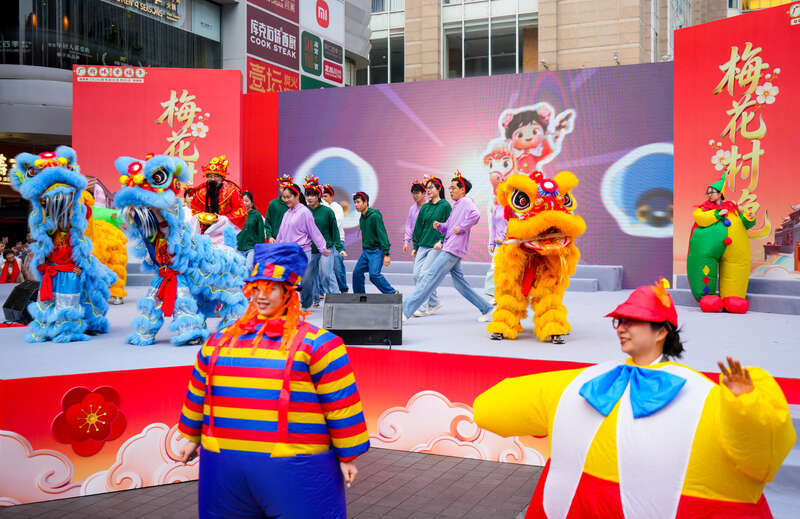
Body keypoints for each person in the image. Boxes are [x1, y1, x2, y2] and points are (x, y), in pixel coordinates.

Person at [474, 279, 796, 518]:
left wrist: (746, 405)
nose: (621, 328)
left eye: (633, 321)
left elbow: (760, 459)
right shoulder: (586, 382)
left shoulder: (702, 397)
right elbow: (490, 409)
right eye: (620, 321)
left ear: (662, 332)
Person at [178, 242, 370, 519]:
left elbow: (340, 404)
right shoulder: (219, 342)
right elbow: (200, 392)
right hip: (232, 467)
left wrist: (348, 457)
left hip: (287, 469)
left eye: (270, 288)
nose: (261, 296)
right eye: (256, 288)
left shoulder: (318, 345)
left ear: (288, 291)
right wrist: (191, 437)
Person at [403, 173, 493, 321]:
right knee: (460, 285)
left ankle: (405, 311)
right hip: (451, 247)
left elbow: (476, 215)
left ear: (462, 190)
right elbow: (450, 227)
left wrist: (461, 227)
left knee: (429, 277)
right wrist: (441, 226)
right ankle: (487, 309)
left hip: (452, 249)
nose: (450, 191)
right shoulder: (457, 205)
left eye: (453, 188)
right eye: (450, 188)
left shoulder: (466, 202)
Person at [686, 172, 756, 313]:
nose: (709, 195)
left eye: (712, 192)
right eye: (708, 192)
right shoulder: (703, 208)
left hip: (735, 248)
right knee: (703, 270)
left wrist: (748, 217)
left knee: (736, 269)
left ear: (720, 193)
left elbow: (744, 222)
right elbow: (700, 218)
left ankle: (734, 297)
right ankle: (707, 297)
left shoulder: (732, 207)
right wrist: (717, 214)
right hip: (707, 247)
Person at [275, 181, 330, 310]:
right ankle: (287, 305)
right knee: (287, 279)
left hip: (303, 252)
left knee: (305, 281)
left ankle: (305, 304)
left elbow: (313, 231)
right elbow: (281, 234)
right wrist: (276, 248)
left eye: (289, 197)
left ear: (297, 196)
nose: (286, 200)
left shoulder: (305, 212)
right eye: (284, 197)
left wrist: (322, 248)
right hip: (288, 252)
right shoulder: (287, 213)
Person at [410, 177, 451, 317]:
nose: (428, 190)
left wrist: (442, 241)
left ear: (439, 189)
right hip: (423, 245)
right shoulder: (425, 207)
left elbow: (449, 225)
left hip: (436, 246)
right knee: (416, 275)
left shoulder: (445, 206)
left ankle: (421, 307)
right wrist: (415, 246)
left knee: (424, 275)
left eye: (431, 187)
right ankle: (434, 302)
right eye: (427, 188)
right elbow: (418, 228)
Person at [304, 180, 344, 307]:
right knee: (310, 275)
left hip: (326, 249)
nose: (309, 198)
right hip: (310, 249)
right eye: (307, 194)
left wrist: (339, 247)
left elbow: (335, 231)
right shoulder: (304, 211)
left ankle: (336, 298)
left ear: (318, 196)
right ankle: (314, 298)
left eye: (312, 195)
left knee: (326, 274)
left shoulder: (327, 211)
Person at [351, 192, 396, 294]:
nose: (356, 205)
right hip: (366, 252)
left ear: (365, 202)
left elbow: (382, 234)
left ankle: (392, 293)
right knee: (357, 273)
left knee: (374, 275)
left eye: (358, 202)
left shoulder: (375, 216)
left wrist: (386, 254)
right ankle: (359, 296)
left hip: (377, 251)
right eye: (355, 203)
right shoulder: (362, 218)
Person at [190, 155, 248, 233]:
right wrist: (203, 217)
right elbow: (194, 211)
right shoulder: (200, 194)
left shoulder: (231, 192)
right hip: (204, 233)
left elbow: (241, 212)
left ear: (222, 178)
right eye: (210, 176)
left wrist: (222, 219)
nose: (213, 179)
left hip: (224, 233)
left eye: (216, 176)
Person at [322, 184, 349, 293]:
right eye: (322, 196)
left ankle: (343, 290)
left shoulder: (337, 207)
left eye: (325, 196)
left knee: (338, 268)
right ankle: (326, 292)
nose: (323, 199)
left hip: (338, 241)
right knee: (325, 268)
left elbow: (335, 225)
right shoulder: (320, 208)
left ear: (331, 196)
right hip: (325, 242)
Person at [484, 199, 508, 304]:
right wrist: (491, 243)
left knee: (507, 271)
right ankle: (495, 294)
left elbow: (511, 224)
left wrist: (503, 237)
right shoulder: (497, 207)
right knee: (494, 268)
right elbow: (493, 227)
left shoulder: (513, 207)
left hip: (509, 243)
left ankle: (505, 295)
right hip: (498, 245)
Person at [236, 191, 265, 270]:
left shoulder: (256, 215)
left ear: (252, 203)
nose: (244, 203)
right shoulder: (237, 214)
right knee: (240, 269)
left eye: (246, 201)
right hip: (239, 248)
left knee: (249, 267)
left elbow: (261, 234)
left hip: (251, 248)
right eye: (242, 201)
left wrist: (259, 248)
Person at [265, 174, 293, 243]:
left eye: (287, 188)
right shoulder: (273, 204)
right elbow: (267, 222)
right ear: (280, 188)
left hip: (291, 241)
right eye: (283, 188)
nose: (285, 190)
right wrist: (269, 237)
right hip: (275, 240)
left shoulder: (294, 205)